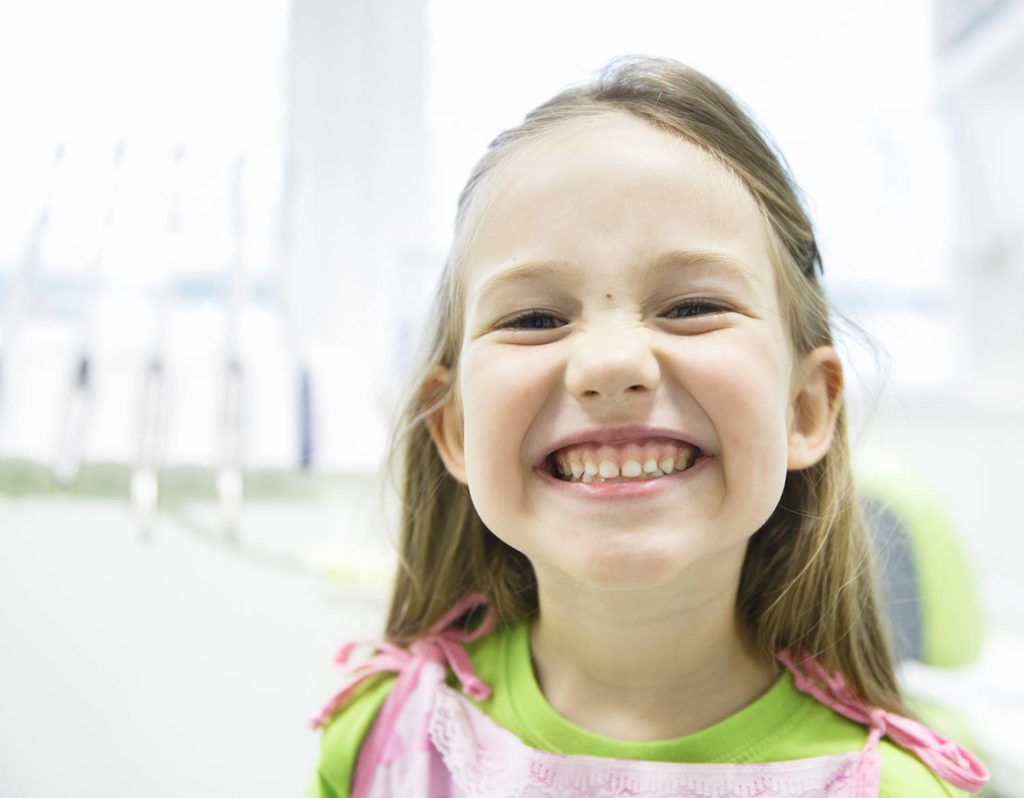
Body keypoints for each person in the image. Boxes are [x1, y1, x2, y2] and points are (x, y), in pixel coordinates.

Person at [306, 56, 988, 798]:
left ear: (805, 409)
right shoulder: (382, 744)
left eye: (692, 307)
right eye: (534, 318)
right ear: (458, 429)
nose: (610, 361)